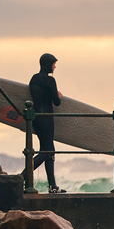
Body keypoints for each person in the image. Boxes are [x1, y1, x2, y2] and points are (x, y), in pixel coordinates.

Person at [29, 53, 66, 193]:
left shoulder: (33, 79)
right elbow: (56, 102)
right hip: (46, 120)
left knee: (48, 151)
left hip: (36, 119)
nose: (55, 66)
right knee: (47, 152)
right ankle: (22, 176)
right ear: (48, 64)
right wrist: (60, 97)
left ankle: (52, 186)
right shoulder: (50, 80)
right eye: (53, 64)